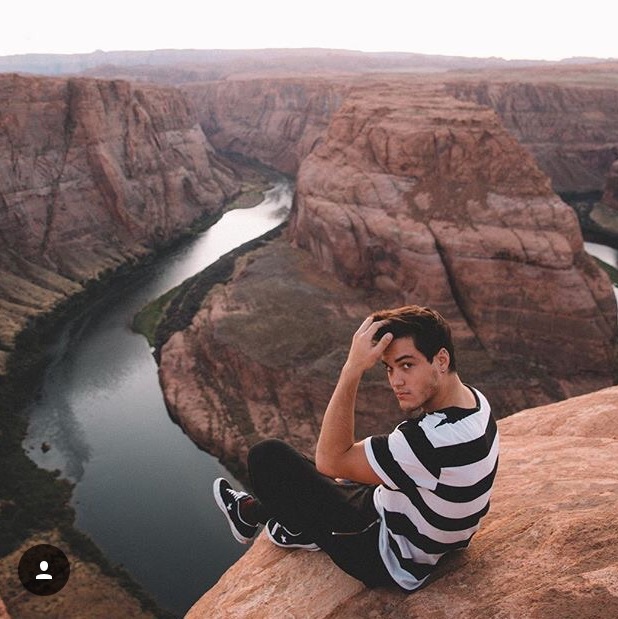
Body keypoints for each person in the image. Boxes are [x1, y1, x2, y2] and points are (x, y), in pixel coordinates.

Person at [213, 305, 499, 591]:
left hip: (386, 554)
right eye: (389, 368)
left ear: (441, 360)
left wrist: (352, 368)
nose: (396, 381)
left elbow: (329, 461)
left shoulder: (427, 442)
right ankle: (259, 515)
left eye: (407, 365)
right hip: (433, 532)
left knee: (268, 457)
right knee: (352, 473)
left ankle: (284, 524)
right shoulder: (476, 403)